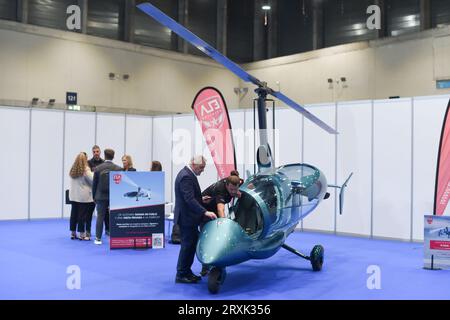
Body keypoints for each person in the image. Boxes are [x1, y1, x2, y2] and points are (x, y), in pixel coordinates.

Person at [174, 156, 217, 284]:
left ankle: (186, 272)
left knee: (191, 245)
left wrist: (201, 200)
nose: (202, 170)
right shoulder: (186, 176)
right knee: (187, 246)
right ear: (193, 164)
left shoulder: (186, 174)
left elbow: (190, 197)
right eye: (201, 167)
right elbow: (189, 199)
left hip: (188, 217)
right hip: (187, 218)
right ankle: (181, 274)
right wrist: (205, 211)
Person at [199, 170, 242, 275]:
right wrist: (224, 225)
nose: (233, 192)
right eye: (231, 189)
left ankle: (220, 259)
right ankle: (205, 267)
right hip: (205, 211)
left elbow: (241, 191)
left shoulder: (238, 181)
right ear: (227, 185)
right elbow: (220, 210)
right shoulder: (220, 190)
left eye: (235, 189)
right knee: (208, 237)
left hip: (214, 210)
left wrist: (240, 193)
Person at [92, 148, 122, 245]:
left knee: (100, 217)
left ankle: (98, 238)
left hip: (100, 197)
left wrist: (94, 197)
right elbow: (120, 185)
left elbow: (94, 184)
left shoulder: (97, 168)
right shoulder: (119, 169)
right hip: (114, 197)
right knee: (115, 217)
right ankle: (116, 238)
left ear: (104, 156)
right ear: (113, 157)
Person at [69, 152, 94, 240]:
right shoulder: (85, 169)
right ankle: (82, 234)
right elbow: (93, 180)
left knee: (73, 215)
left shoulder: (73, 169)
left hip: (73, 196)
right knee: (82, 216)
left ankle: (73, 233)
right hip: (83, 197)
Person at [86, 145, 104, 239]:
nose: (96, 153)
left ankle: (108, 230)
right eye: (94, 152)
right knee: (89, 213)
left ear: (100, 152)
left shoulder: (104, 162)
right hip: (91, 192)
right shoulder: (88, 163)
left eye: (97, 151)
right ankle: (88, 231)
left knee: (105, 214)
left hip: (101, 192)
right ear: (92, 153)